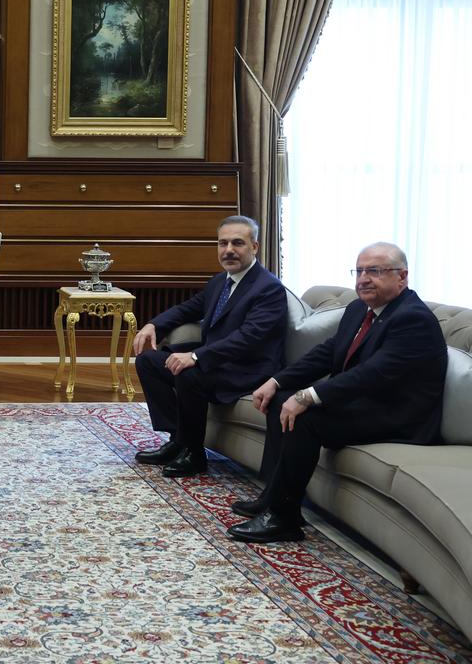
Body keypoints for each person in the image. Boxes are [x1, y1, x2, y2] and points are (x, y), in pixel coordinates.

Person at [227, 242, 447, 543]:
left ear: (402, 277)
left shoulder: (413, 319)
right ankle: (272, 496)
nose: (364, 278)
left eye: (376, 271)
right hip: (365, 404)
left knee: (305, 417)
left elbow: (370, 375)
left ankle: (284, 518)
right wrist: (277, 382)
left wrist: (307, 396)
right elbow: (326, 353)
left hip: (398, 417)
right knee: (281, 401)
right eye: (360, 271)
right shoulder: (360, 308)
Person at [131, 215, 287, 478]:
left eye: (237, 243)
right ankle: (178, 439)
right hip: (217, 360)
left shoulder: (268, 288)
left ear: (254, 247)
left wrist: (195, 355)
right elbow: (187, 309)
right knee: (148, 361)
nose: (228, 250)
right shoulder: (220, 281)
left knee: (189, 371)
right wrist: (153, 325)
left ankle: (194, 454)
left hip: (247, 368)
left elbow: (248, 338)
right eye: (222, 243)